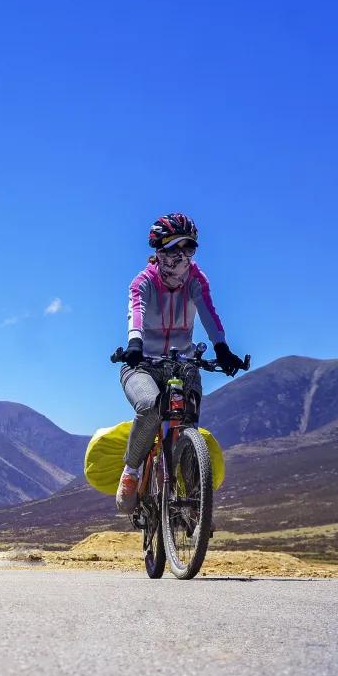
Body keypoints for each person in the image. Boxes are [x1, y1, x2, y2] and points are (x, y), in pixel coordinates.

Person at [116, 213, 246, 513]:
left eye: (189, 249)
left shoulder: (197, 280)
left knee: (188, 421)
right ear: (160, 251)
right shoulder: (143, 282)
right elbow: (136, 310)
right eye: (176, 249)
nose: (183, 257)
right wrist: (134, 342)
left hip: (181, 362)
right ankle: (132, 471)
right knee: (150, 407)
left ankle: (194, 505)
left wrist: (222, 347)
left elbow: (208, 312)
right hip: (142, 364)